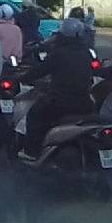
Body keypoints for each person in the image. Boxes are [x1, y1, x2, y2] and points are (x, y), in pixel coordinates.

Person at [19, 19, 96, 161]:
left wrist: (22, 78)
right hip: (85, 102)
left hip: (61, 102)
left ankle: (31, 152)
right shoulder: (86, 52)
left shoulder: (58, 53)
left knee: (34, 115)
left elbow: (39, 71)